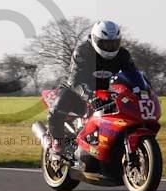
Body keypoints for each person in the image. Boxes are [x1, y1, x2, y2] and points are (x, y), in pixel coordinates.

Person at [48, 20, 137, 160]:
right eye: (106, 43)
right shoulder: (83, 51)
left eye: (114, 43)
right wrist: (90, 96)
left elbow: (133, 75)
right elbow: (75, 80)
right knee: (55, 113)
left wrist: (142, 91)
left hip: (106, 91)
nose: (110, 47)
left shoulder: (123, 55)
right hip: (76, 88)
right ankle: (57, 145)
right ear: (95, 40)